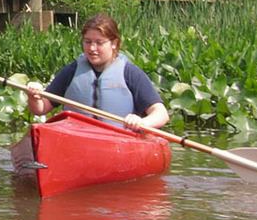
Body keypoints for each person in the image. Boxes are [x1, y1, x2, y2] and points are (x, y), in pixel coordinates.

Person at [25, 13, 170, 131]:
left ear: (114, 44)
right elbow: (41, 109)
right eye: (87, 42)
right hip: (77, 139)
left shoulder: (130, 74)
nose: (92, 48)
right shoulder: (72, 71)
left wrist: (142, 122)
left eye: (99, 43)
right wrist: (34, 97)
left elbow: (161, 114)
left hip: (119, 139)